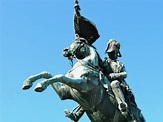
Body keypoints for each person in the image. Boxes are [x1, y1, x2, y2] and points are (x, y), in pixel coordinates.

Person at [102, 39, 129, 116]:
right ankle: (77, 114)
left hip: (119, 84)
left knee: (114, 83)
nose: (113, 54)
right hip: (105, 82)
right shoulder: (104, 62)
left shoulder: (120, 64)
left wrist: (112, 76)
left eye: (114, 52)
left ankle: (122, 105)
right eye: (111, 52)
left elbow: (125, 74)